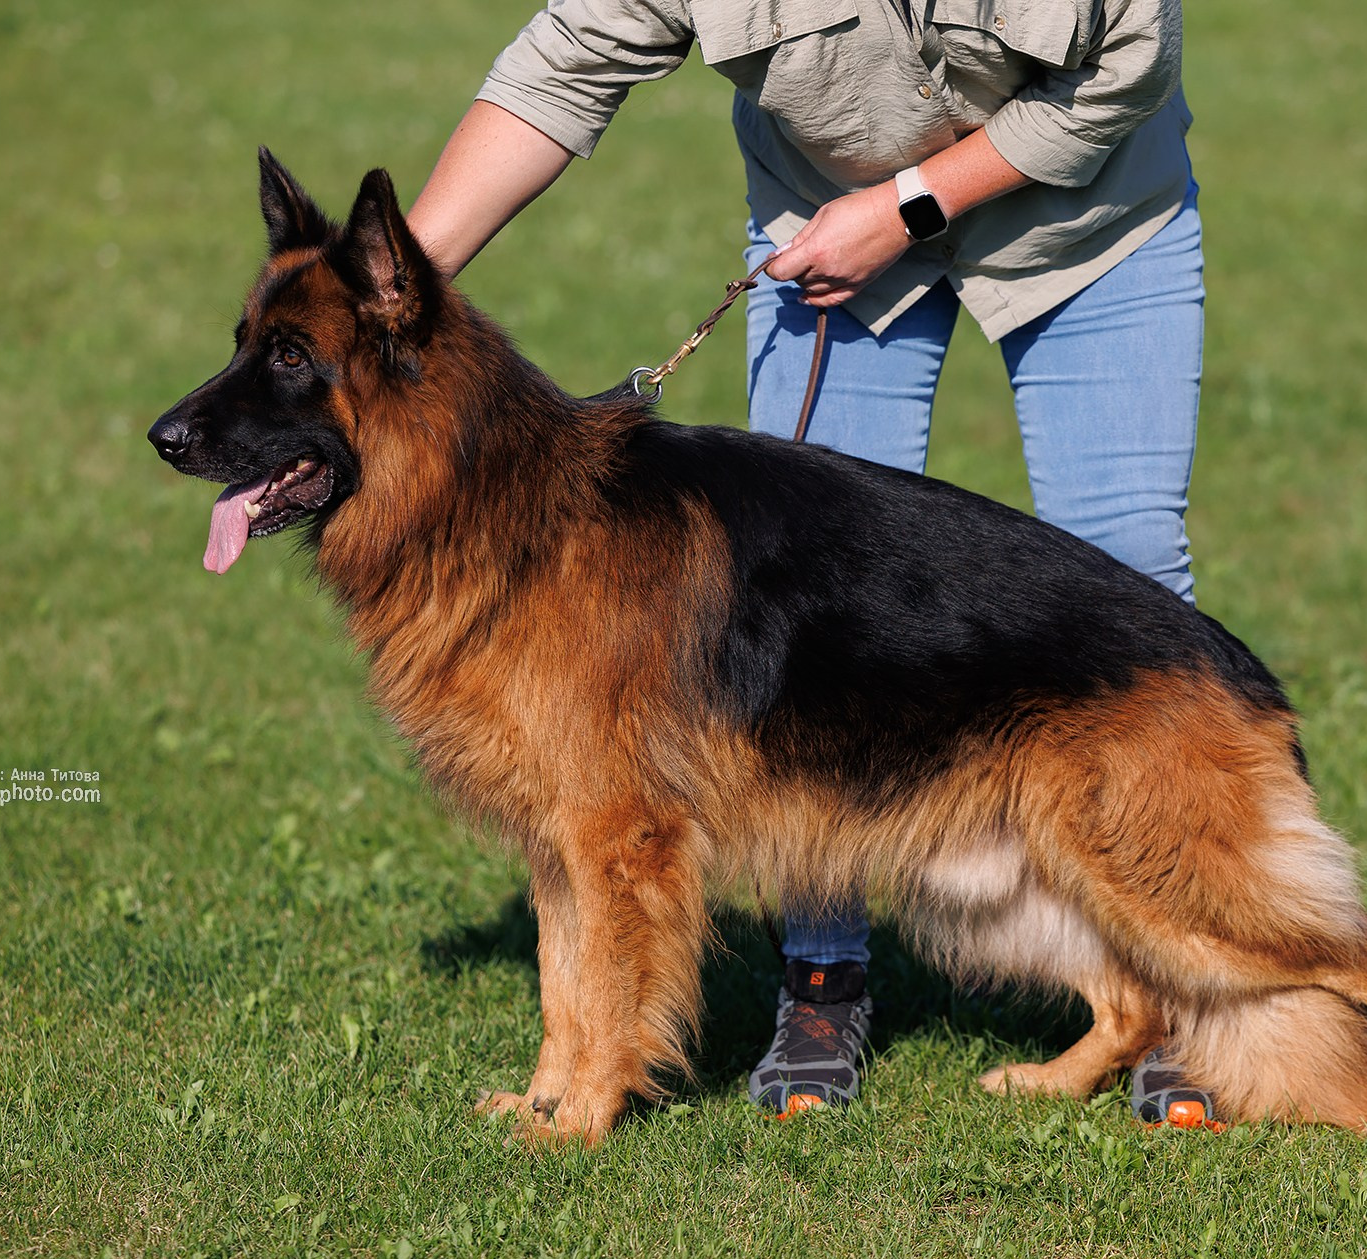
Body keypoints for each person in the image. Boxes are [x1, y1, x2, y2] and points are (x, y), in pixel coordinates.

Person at [407, 0, 1207, 1114]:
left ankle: (1185, 993)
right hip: (827, 236)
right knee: (799, 629)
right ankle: (820, 981)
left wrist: (910, 203)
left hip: (1086, 228)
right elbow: (563, 65)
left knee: (1125, 571)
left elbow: (1122, 68)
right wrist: (386, 296)